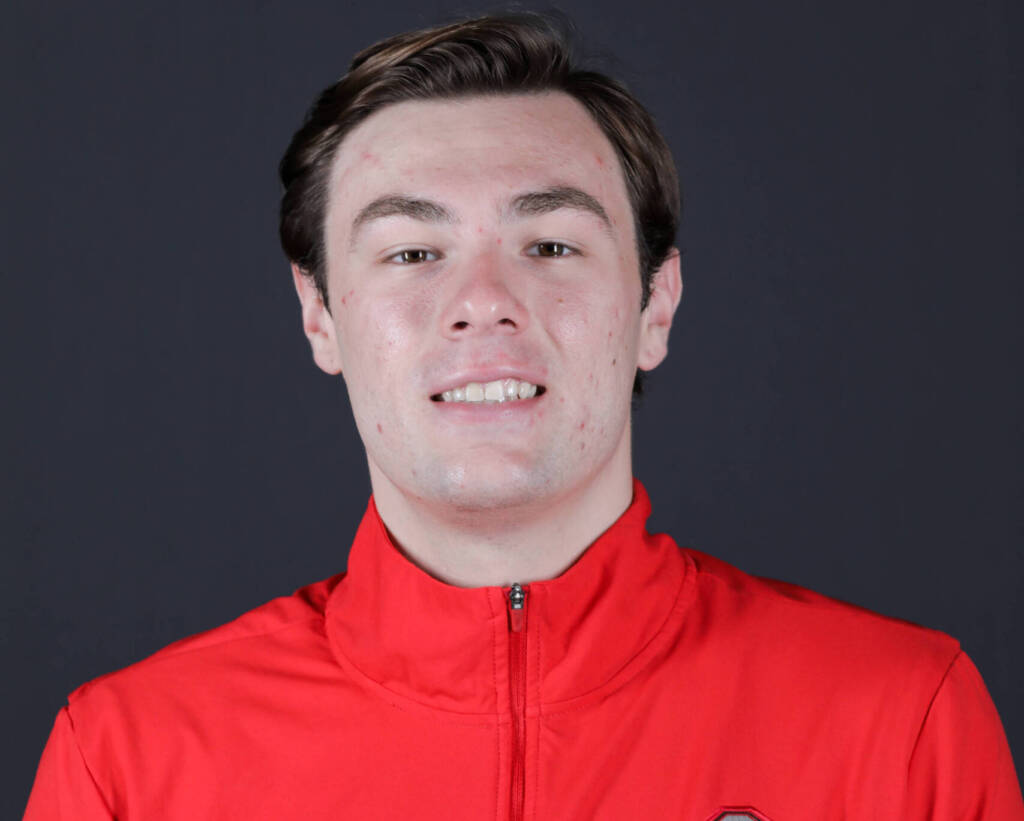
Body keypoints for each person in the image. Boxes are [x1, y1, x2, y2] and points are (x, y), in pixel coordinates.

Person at [24, 13, 1023, 820]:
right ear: (319, 314)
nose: (484, 300)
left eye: (549, 245)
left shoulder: (901, 725)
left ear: (656, 304)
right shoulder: (130, 764)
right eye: (412, 253)